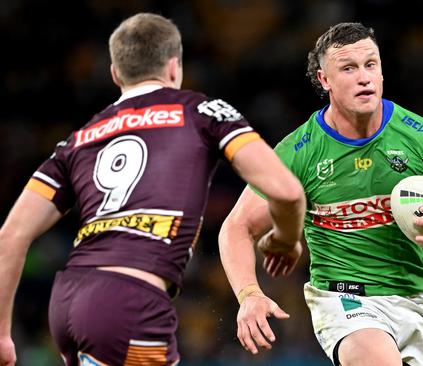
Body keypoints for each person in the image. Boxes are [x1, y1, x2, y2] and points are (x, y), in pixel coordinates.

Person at [0, 13, 305, 366]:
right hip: (130, 301)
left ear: (115, 74)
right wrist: (285, 237)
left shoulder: (78, 140)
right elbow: (287, 190)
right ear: (175, 66)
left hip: (67, 303)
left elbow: (11, 235)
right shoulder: (202, 111)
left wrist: (2, 333)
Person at [218, 22, 423, 366]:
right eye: (349, 68)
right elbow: (236, 227)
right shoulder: (298, 152)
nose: (364, 77)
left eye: (371, 65)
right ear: (324, 80)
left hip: (414, 300)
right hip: (344, 301)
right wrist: (249, 295)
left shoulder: (421, 136)